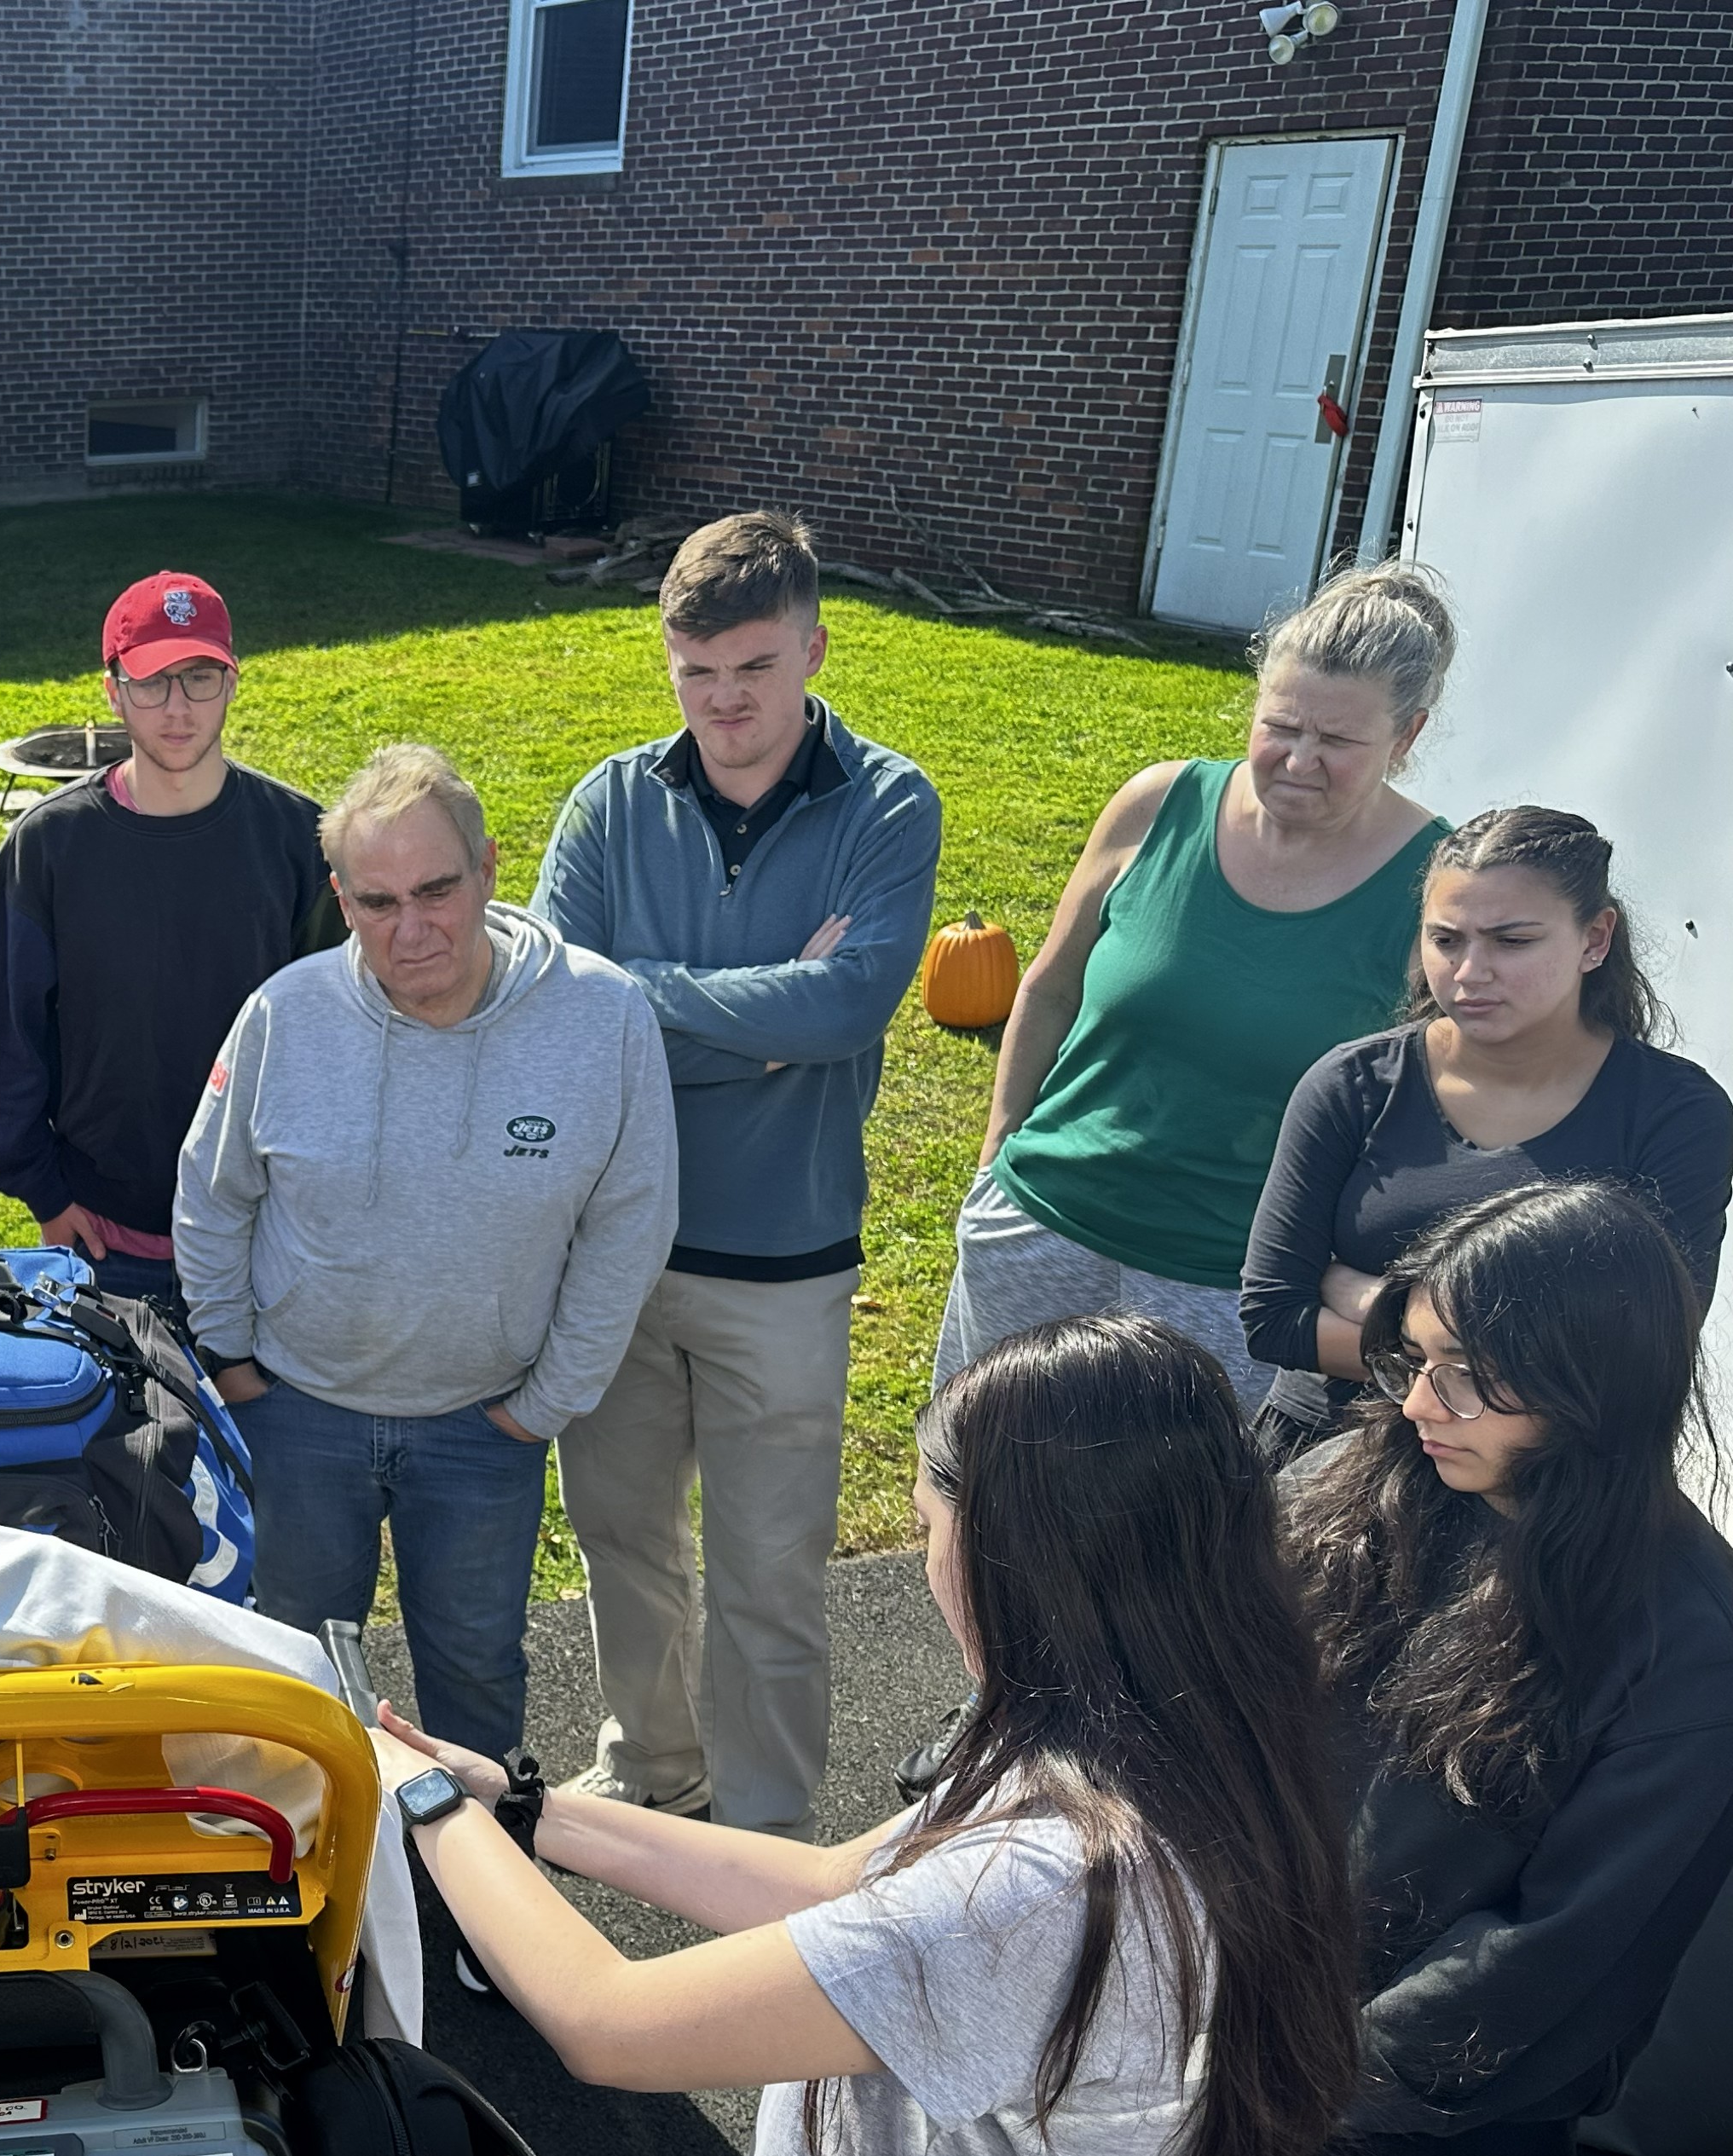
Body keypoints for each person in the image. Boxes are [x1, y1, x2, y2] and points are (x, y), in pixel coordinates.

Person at [378, 1313, 1359, 2156]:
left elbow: (605, 2019)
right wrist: (524, 1809)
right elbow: (842, 1885)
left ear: (1012, 1556)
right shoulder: (1178, 1739)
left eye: (931, 1525)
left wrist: (421, 1807)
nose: (925, 1555)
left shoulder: (1036, 1884)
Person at [1075, 1180, 1733, 2156]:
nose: (1418, 1399)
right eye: (1410, 1355)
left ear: (1592, 1386)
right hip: (1250, 2018)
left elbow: (1567, 1944)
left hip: (1448, 2109)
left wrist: (1305, 2065)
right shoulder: (1362, 1471)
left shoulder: (1687, 1630)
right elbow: (1199, 1672)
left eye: (1470, 1379)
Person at [531, 510, 942, 1837]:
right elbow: (558, 1014)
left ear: (814, 649)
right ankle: (653, 1769)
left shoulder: (888, 802)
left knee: (770, 1569)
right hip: (616, 1251)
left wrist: (660, 1007)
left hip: (784, 1259)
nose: (724, 703)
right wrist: (762, 1030)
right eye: (695, 672)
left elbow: (847, 1011)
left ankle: (764, 1829)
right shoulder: (608, 801)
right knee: (623, 1545)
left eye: (754, 669)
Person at [176, 742, 678, 1757]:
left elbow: (631, 1223)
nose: (411, 931)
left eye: (438, 890)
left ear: (490, 868)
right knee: (300, 1668)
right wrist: (231, 1359)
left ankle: (476, 1894)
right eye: (377, 902)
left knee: (477, 1664)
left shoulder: (603, 1017)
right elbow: (211, 1192)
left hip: (480, 1426)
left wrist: (545, 1405)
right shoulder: (284, 1015)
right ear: (342, 898)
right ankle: (320, 1886)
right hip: (300, 1410)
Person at [937, 559, 1459, 1410]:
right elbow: (1050, 987)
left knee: (1174, 1534)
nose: (1298, 759)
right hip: (1040, 1229)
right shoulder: (1156, 805)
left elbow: (1432, 1115)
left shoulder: (1432, 884)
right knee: (983, 1499)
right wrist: (998, 1154)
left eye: (1336, 742)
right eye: (1280, 725)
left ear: (1406, 737)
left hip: (1230, 1286)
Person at [1239, 806, 1730, 1455]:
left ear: (1595, 939)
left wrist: (1383, 1300)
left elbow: (1641, 1350)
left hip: (1549, 1485)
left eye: (1512, 941)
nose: (1470, 973)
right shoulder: (1350, 1084)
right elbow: (1274, 1319)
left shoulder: (1677, 1114)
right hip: (1327, 1453)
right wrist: (1508, 1356)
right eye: (1447, 940)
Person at [0, 569, 334, 1310]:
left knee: (253, 1431)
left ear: (233, 683)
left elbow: (338, 1032)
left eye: (200, 678)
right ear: (112, 692)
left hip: (263, 1234)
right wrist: (42, 1191)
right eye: (151, 682)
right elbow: (10, 1039)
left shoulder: (299, 839)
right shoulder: (49, 848)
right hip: (105, 1238)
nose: (178, 709)